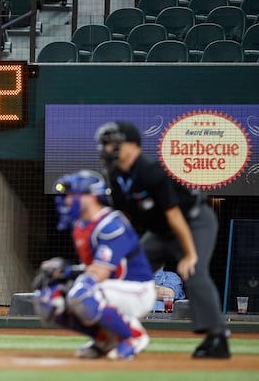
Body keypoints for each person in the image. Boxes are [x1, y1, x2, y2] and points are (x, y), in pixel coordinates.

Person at [95, 121, 230, 359]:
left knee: (194, 271)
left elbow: (174, 214)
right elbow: (124, 218)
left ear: (132, 145)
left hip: (193, 222)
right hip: (160, 232)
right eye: (105, 144)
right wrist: (118, 252)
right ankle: (116, 332)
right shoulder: (115, 176)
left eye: (113, 143)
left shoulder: (150, 169)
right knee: (128, 271)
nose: (107, 149)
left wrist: (189, 254)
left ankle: (217, 337)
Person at [33, 170, 155, 360]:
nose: (67, 201)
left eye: (73, 195)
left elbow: (101, 271)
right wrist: (66, 271)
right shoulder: (80, 225)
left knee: (81, 293)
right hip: (110, 287)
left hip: (137, 290)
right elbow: (93, 268)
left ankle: (133, 336)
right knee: (49, 300)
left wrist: (75, 280)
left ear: (91, 196)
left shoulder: (111, 224)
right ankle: (104, 339)